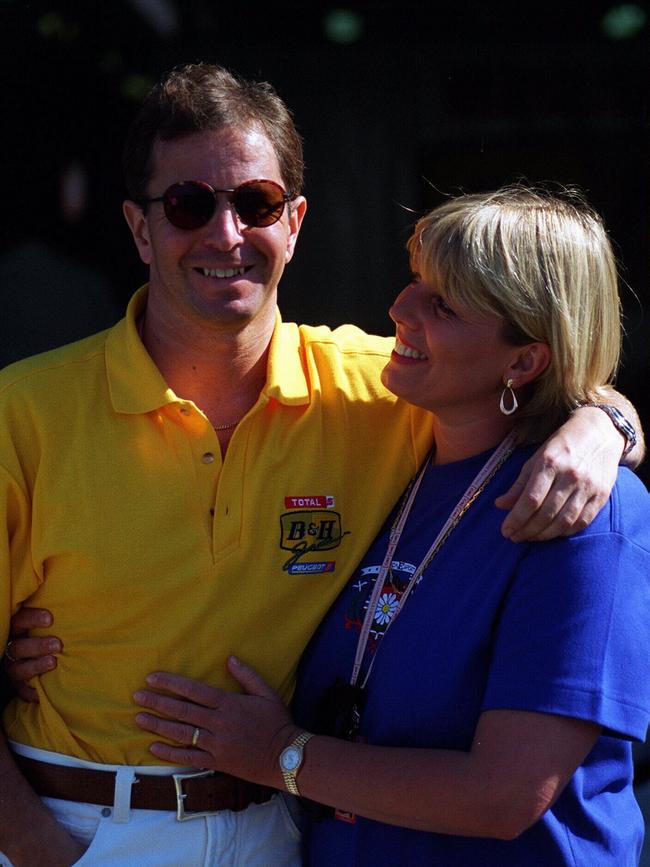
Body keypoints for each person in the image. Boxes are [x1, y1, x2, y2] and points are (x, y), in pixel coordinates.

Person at [0, 60, 642, 867]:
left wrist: (603, 423)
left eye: (256, 203)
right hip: (81, 823)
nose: (225, 234)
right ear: (139, 228)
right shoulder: (22, 413)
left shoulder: (387, 390)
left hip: (285, 830)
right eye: (189, 204)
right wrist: (36, 849)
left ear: (295, 220)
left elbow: (531, 367)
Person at [120, 187, 649, 865]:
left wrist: (281, 755)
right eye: (415, 283)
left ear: (523, 361)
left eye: (443, 305)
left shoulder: (582, 512)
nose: (401, 309)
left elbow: (505, 794)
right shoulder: (389, 450)